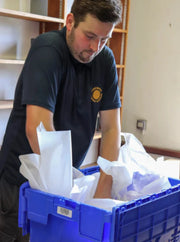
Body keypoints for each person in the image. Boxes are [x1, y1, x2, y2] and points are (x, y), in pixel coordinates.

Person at [0, 0, 122, 240]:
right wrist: (62, 194)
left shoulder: (104, 59)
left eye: (104, 39)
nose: (95, 47)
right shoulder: (48, 50)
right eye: (89, 36)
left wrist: (102, 193)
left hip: (62, 183)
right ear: (70, 22)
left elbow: (110, 129)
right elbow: (38, 129)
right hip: (20, 187)